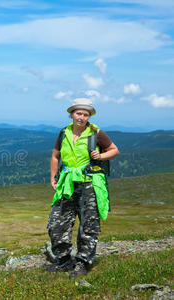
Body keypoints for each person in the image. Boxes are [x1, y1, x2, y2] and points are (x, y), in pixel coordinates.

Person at [46, 98, 119, 278]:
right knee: (56, 223)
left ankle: (82, 264)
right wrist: (53, 177)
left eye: (85, 114)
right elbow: (55, 156)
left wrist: (101, 156)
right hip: (68, 182)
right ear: (71, 114)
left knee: (88, 225)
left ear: (89, 116)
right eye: (78, 113)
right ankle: (63, 261)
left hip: (90, 183)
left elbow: (114, 150)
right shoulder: (64, 132)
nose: (81, 117)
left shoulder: (96, 132)